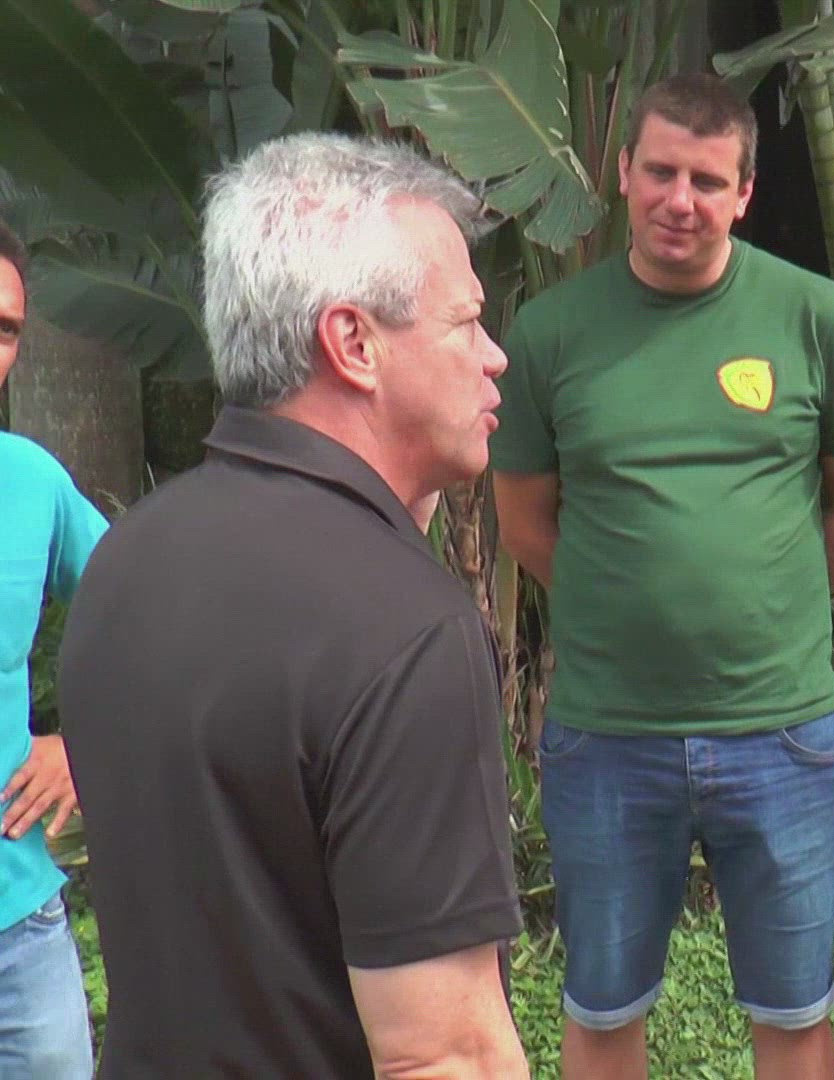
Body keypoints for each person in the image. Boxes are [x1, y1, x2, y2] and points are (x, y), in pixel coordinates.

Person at [58, 134, 528, 1078]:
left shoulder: (127, 560)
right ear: (354, 344)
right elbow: (442, 1056)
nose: (496, 358)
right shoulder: (404, 632)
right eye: (467, 322)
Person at [491, 72, 834, 1080]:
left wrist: (775, 595)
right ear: (624, 173)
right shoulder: (552, 332)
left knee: (795, 1011)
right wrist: (619, 602)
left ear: (744, 194)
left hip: (780, 731)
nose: (682, 199)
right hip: (607, 734)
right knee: (602, 1007)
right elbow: (525, 521)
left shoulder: (816, 317)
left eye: (709, 181)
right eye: (663, 172)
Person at [0, 219, 106, 1079]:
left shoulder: (32, 482)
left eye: (5, 331)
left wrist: (83, 743)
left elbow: (155, 614)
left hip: (19, 925)